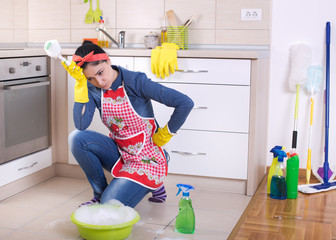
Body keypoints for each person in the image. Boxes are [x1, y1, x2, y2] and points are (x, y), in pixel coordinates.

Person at [63, 41, 194, 208]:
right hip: (121, 151)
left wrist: (165, 134)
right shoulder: (91, 88)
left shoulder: (136, 81)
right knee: (76, 138)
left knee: (110, 206)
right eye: (91, 78)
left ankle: (154, 181)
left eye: (101, 72)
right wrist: (81, 86)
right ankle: (100, 193)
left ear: (108, 61)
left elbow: (185, 103)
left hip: (148, 158)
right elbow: (81, 125)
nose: (100, 81)